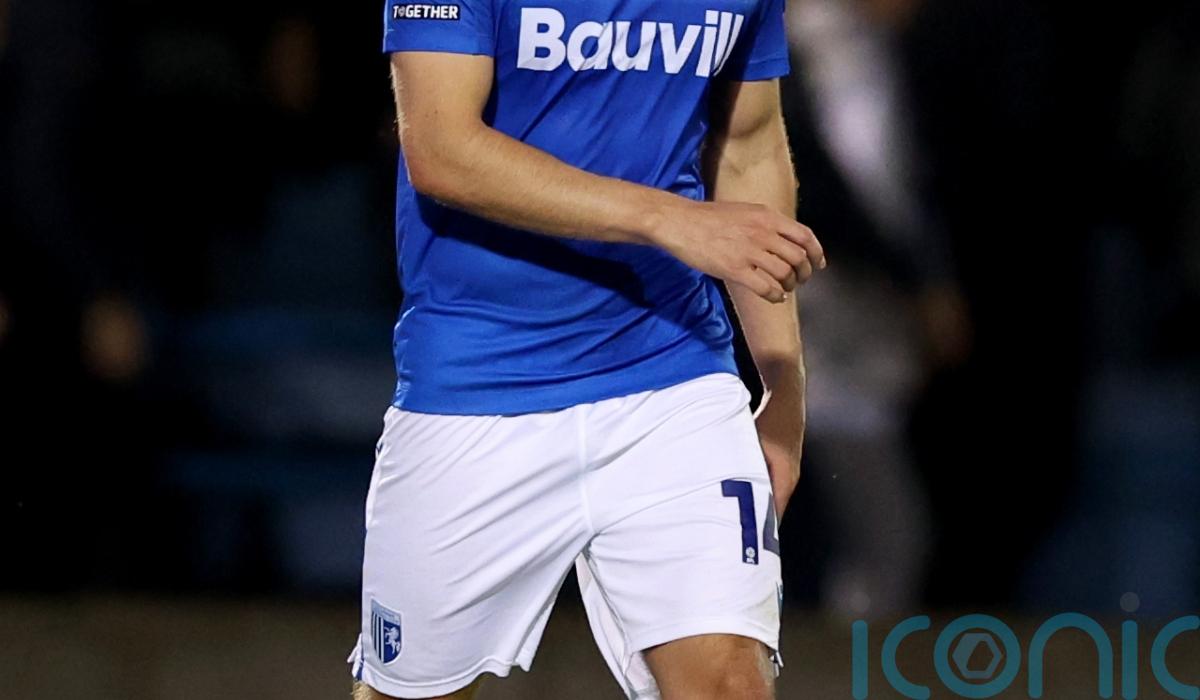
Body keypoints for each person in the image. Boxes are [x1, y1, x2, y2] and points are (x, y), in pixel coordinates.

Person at [348, 0, 826, 697]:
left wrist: (783, 384)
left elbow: (748, 144)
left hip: (674, 372)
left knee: (729, 683)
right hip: (480, 381)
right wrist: (669, 219)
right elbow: (442, 148)